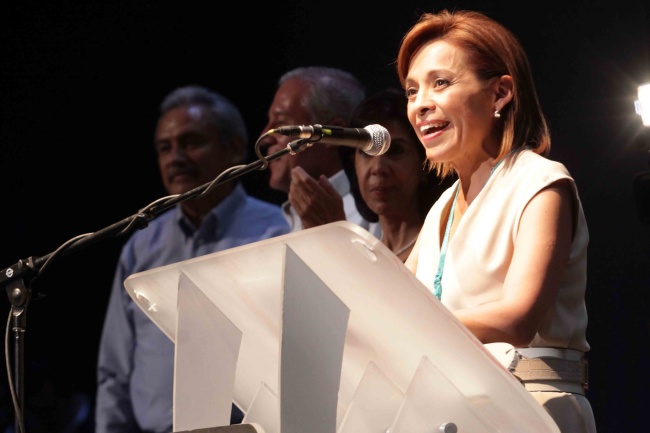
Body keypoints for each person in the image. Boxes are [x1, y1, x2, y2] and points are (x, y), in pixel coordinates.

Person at [397, 9, 596, 432]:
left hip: (534, 409)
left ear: (500, 92)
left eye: (440, 83)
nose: (420, 104)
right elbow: (390, 298)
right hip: (455, 411)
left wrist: (404, 321)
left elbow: (519, 318)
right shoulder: (442, 208)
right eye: (412, 91)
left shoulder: (540, 182)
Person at [95, 85, 291, 433]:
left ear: (234, 147)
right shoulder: (142, 247)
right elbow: (116, 370)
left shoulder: (277, 233)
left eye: (191, 142)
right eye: (165, 148)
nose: (175, 158)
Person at [259, 66, 381, 237]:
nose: (265, 137)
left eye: (281, 124)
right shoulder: (285, 219)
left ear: (332, 135)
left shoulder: (374, 213)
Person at [339, 88, 455, 261]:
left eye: (395, 151)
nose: (378, 167)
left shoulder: (443, 250)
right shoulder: (366, 252)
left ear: (425, 165)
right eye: (366, 151)